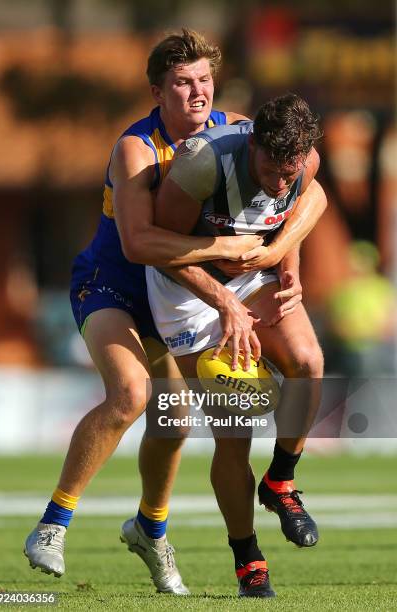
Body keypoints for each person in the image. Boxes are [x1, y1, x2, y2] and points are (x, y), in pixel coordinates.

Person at [24, 29, 326, 595]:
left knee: (177, 420)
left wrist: (285, 259)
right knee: (132, 397)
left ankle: (151, 529)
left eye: (204, 80)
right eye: (183, 83)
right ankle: (54, 523)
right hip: (116, 286)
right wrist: (223, 254)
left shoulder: (243, 133)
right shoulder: (137, 148)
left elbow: (293, 196)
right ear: (156, 91)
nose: (197, 93)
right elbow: (139, 243)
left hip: (187, 287)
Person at [146, 93, 326, 598]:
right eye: (270, 167)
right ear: (253, 145)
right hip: (187, 292)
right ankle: (246, 554)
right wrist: (224, 303)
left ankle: (281, 482)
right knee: (236, 427)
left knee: (309, 361)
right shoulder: (203, 164)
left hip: (252, 274)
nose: (278, 181)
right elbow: (160, 250)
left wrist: (288, 270)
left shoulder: (301, 161)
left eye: (289, 171)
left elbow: (299, 214)